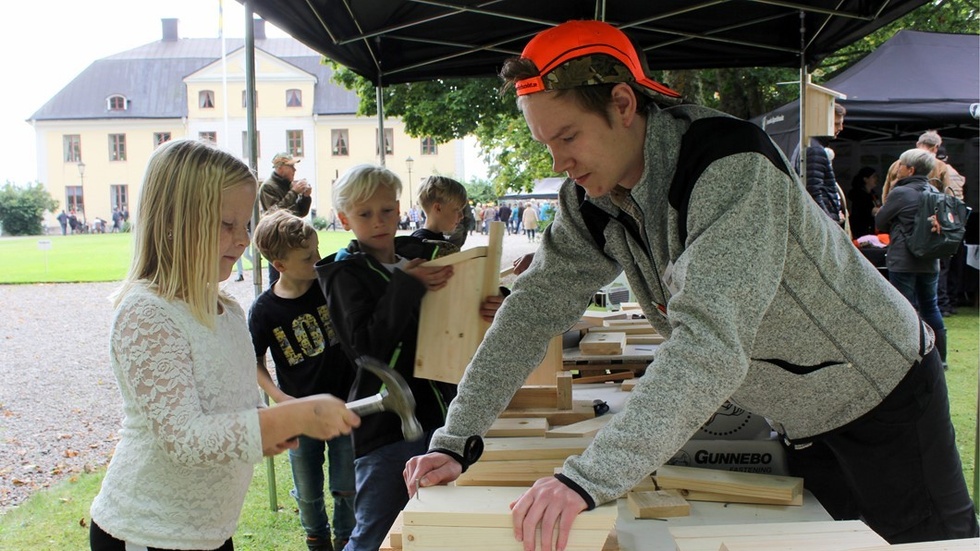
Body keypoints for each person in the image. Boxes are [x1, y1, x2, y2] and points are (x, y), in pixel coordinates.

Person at [403, 20, 978, 550]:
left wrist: (585, 479)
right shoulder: (591, 198)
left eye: (569, 137)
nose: (560, 162)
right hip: (800, 413)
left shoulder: (727, 165)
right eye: (545, 144)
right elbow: (531, 310)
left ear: (623, 103)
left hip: (884, 393)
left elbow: (708, 344)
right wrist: (458, 437)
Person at [89, 139, 359, 551]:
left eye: (245, 225)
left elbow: (235, 411)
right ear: (171, 223)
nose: (242, 240)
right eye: (225, 225)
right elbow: (184, 438)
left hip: (209, 530)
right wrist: (286, 418)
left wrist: (272, 429)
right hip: (147, 531)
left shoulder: (227, 309)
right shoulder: (147, 313)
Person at [314, 164, 501, 551]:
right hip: (385, 430)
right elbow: (366, 348)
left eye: (386, 211)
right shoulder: (343, 275)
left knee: (436, 529)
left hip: (443, 418)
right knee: (376, 533)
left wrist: (491, 301)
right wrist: (406, 286)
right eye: (364, 214)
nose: (378, 222)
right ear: (345, 218)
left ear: (399, 209)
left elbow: (459, 312)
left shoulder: (424, 255)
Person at [249, 210, 357, 551]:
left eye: (317, 250)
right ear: (279, 265)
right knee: (308, 489)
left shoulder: (328, 286)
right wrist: (281, 399)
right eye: (308, 257)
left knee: (346, 484)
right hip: (298, 416)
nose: (318, 259)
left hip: (344, 405)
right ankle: (317, 538)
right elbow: (253, 360)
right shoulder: (264, 310)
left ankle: (345, 539)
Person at [875, 149, 948, 366]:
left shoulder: (901, 193)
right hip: (929, 260)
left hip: (903, 260)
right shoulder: (935, 192)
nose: (898, 168)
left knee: (902, 308)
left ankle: (901, 358)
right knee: (930, 306)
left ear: (910, 169)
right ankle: (940, 358)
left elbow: (880, 221)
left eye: (901, 165)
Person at [260, 152, 313, 286]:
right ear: (280, 168)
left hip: (292, 237)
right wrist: (294, 193)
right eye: (291, 167)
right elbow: (275, 213)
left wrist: (305, 197)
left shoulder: (288, 185)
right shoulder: (268, 187)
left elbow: (300, 213)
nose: (295, 170)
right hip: (277, 240)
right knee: (278, 280)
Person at [794, 103, 846, 224]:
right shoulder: (814, 149)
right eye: (836, 124)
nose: (841, 128)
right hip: (820, 224)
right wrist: (829, 224)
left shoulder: (810, 145)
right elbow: (813, 193)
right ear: (824, 123)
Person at [882, 131, 952, 202]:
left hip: (899, 207)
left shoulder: (897, 164)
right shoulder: (940, 166)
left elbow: (886, 192)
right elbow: (948, 194)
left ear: (917, 144)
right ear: (936, 147)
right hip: (929, 209)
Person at [411, 175, 468, 257]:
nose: (462, 216)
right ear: (438, 208)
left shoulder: (440, 241)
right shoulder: (421, 246)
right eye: (457, 210)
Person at [847, 167, 881, 238]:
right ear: (866, 179)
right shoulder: (858, 195)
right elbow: (868, 210)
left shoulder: (873, 194)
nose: (876, 179)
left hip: (873, 228)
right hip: (861, 229)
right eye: (873, 177)